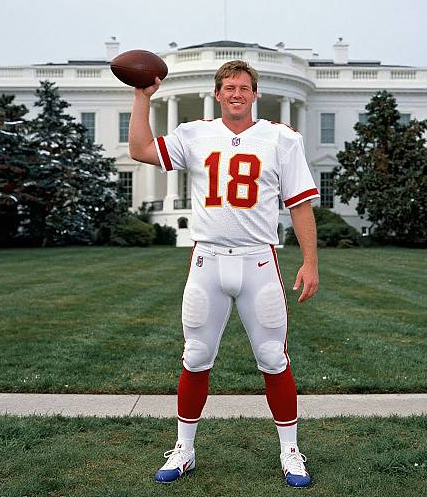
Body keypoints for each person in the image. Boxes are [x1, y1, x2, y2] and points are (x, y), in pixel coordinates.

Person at [129, 60, 319, 488]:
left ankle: (290, 450)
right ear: (217, 93)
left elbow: (300, 204)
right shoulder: (194, 133)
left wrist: (310, 262)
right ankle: (185, 449)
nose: (237, 93)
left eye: (245, 87)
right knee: (195, 356)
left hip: (258, 260)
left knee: (273, 358)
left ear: (254, 94)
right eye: (229, 87)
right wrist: (142, 97)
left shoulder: (281, 138)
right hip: (208, 261)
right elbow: (140, 150)